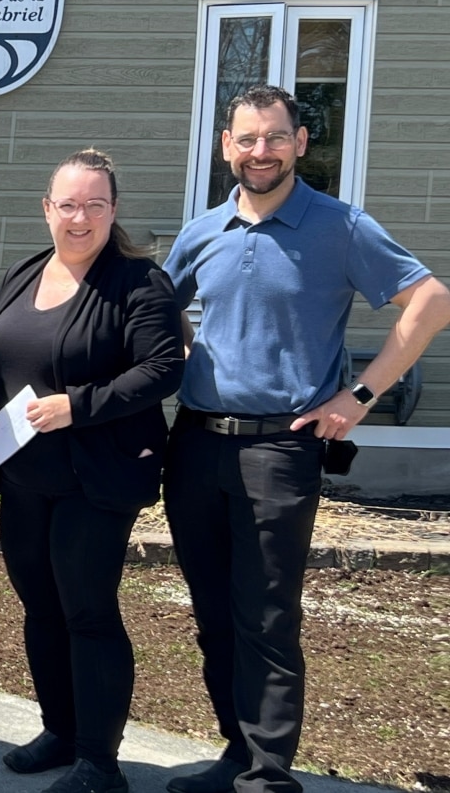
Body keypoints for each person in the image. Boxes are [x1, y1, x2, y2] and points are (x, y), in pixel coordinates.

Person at [161, 84, 450, 793]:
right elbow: (156, 322)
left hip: (279, 449)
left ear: (300, 142)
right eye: (247, 138)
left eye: (275, 137)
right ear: (225, 145)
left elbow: (431, 300)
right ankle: (234, 750)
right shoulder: (202, 232)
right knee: (212, 609)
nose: (261, 151)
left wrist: (358, 395)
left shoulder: (340, 226)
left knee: (265, 610)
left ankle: (267, 772)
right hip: (196, 443)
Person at [0, 149, 185, 793]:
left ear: (112, 211)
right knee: (40, 608)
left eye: (94, 205)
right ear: (47, 210)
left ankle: (100, 760)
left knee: (88, 612)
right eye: (68, 204)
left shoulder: (139, 282)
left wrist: (76, 406)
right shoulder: (25, 271)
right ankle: (60, 730)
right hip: (25, 476)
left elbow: (162, 369)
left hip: (96, 478)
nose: (79, 217)